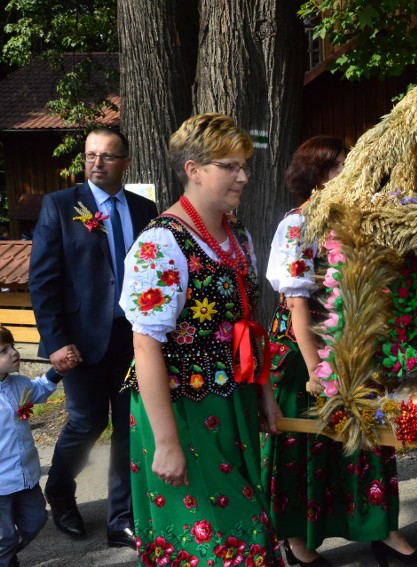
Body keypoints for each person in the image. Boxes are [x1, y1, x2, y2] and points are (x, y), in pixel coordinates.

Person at [119, 113, 284, 565]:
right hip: (181, 407)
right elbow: (145, 345)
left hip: (234, 398)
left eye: (244, 166)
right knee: (213, 538)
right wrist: (167, 442)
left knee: (248, 523)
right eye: (230, 166)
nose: (243, 177)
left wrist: (265, 394)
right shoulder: (161, 243)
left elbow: (249, 325)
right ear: (193, 169)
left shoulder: (238, 235)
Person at [262, 136, 417, 567]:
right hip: (305, 352)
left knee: (369, 442)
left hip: (353, 349)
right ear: (316, 177)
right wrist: (314, 367)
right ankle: (298, 544)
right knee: (305, 447)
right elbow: (298, 304)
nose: (348, 172)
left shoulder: (354, 221)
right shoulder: (298, 225)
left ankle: (382, 531)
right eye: (338, 165)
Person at [28, 128, 158, 548]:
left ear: (125, 161)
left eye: (106, 156)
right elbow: (43, 282)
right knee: (86, 423)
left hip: (133, 338)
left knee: (127, 426)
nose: (96, 163)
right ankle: (61, 493)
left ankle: (121, 518)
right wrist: (55, 342)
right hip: (80, 339)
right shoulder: (61, 206)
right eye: (90, 155)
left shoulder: (144, 209)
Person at [0, 327, 65, 567]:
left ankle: (4, 554)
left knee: (36, 518)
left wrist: (58, 371)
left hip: (25, 475)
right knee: (3, 536)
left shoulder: (18, 383)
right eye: (3, 351)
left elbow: (38, 388)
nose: (14, 353)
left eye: (13, 346)